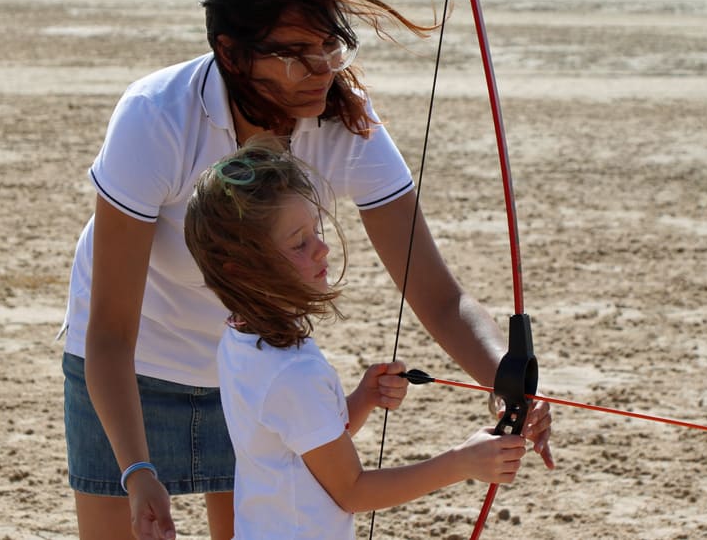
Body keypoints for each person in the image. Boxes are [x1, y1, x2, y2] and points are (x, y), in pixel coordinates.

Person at [58, 0, 553, 540]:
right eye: (296, 53)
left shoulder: (344, 118)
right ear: (231, 52)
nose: (321, 70)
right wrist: (136, 470)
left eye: (330, 46)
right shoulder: (155, 116)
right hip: (128, 364)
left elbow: (440, 296)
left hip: (242, 372)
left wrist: (506, 379)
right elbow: (108, 330)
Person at [184, 141, 528, 539]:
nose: (322, 248)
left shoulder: (241, 339)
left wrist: (361, 400)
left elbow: (305, 441)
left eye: (316, 231)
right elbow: (351, 489)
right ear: (242, 270)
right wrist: (460, 463)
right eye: (299, 243)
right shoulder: (291, 373)